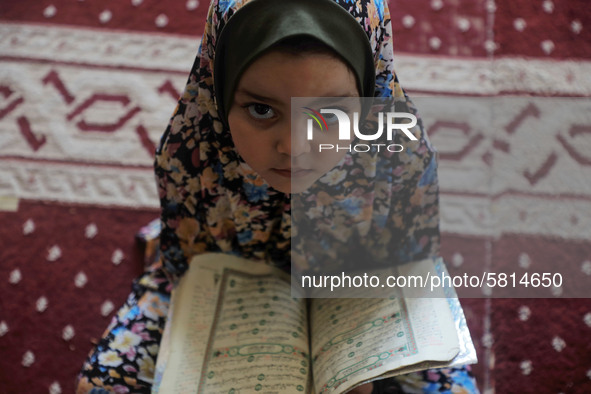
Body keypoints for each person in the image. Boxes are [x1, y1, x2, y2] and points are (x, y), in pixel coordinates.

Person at [76, 0, 479, 392]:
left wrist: (363, 370)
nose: (294, 147)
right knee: (102, 384)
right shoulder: (196, 151)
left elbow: (405, 271)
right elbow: (189, 262)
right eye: (262, 110)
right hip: (226, 283)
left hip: (359, 295)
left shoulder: (397, 161)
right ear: (219, 94)